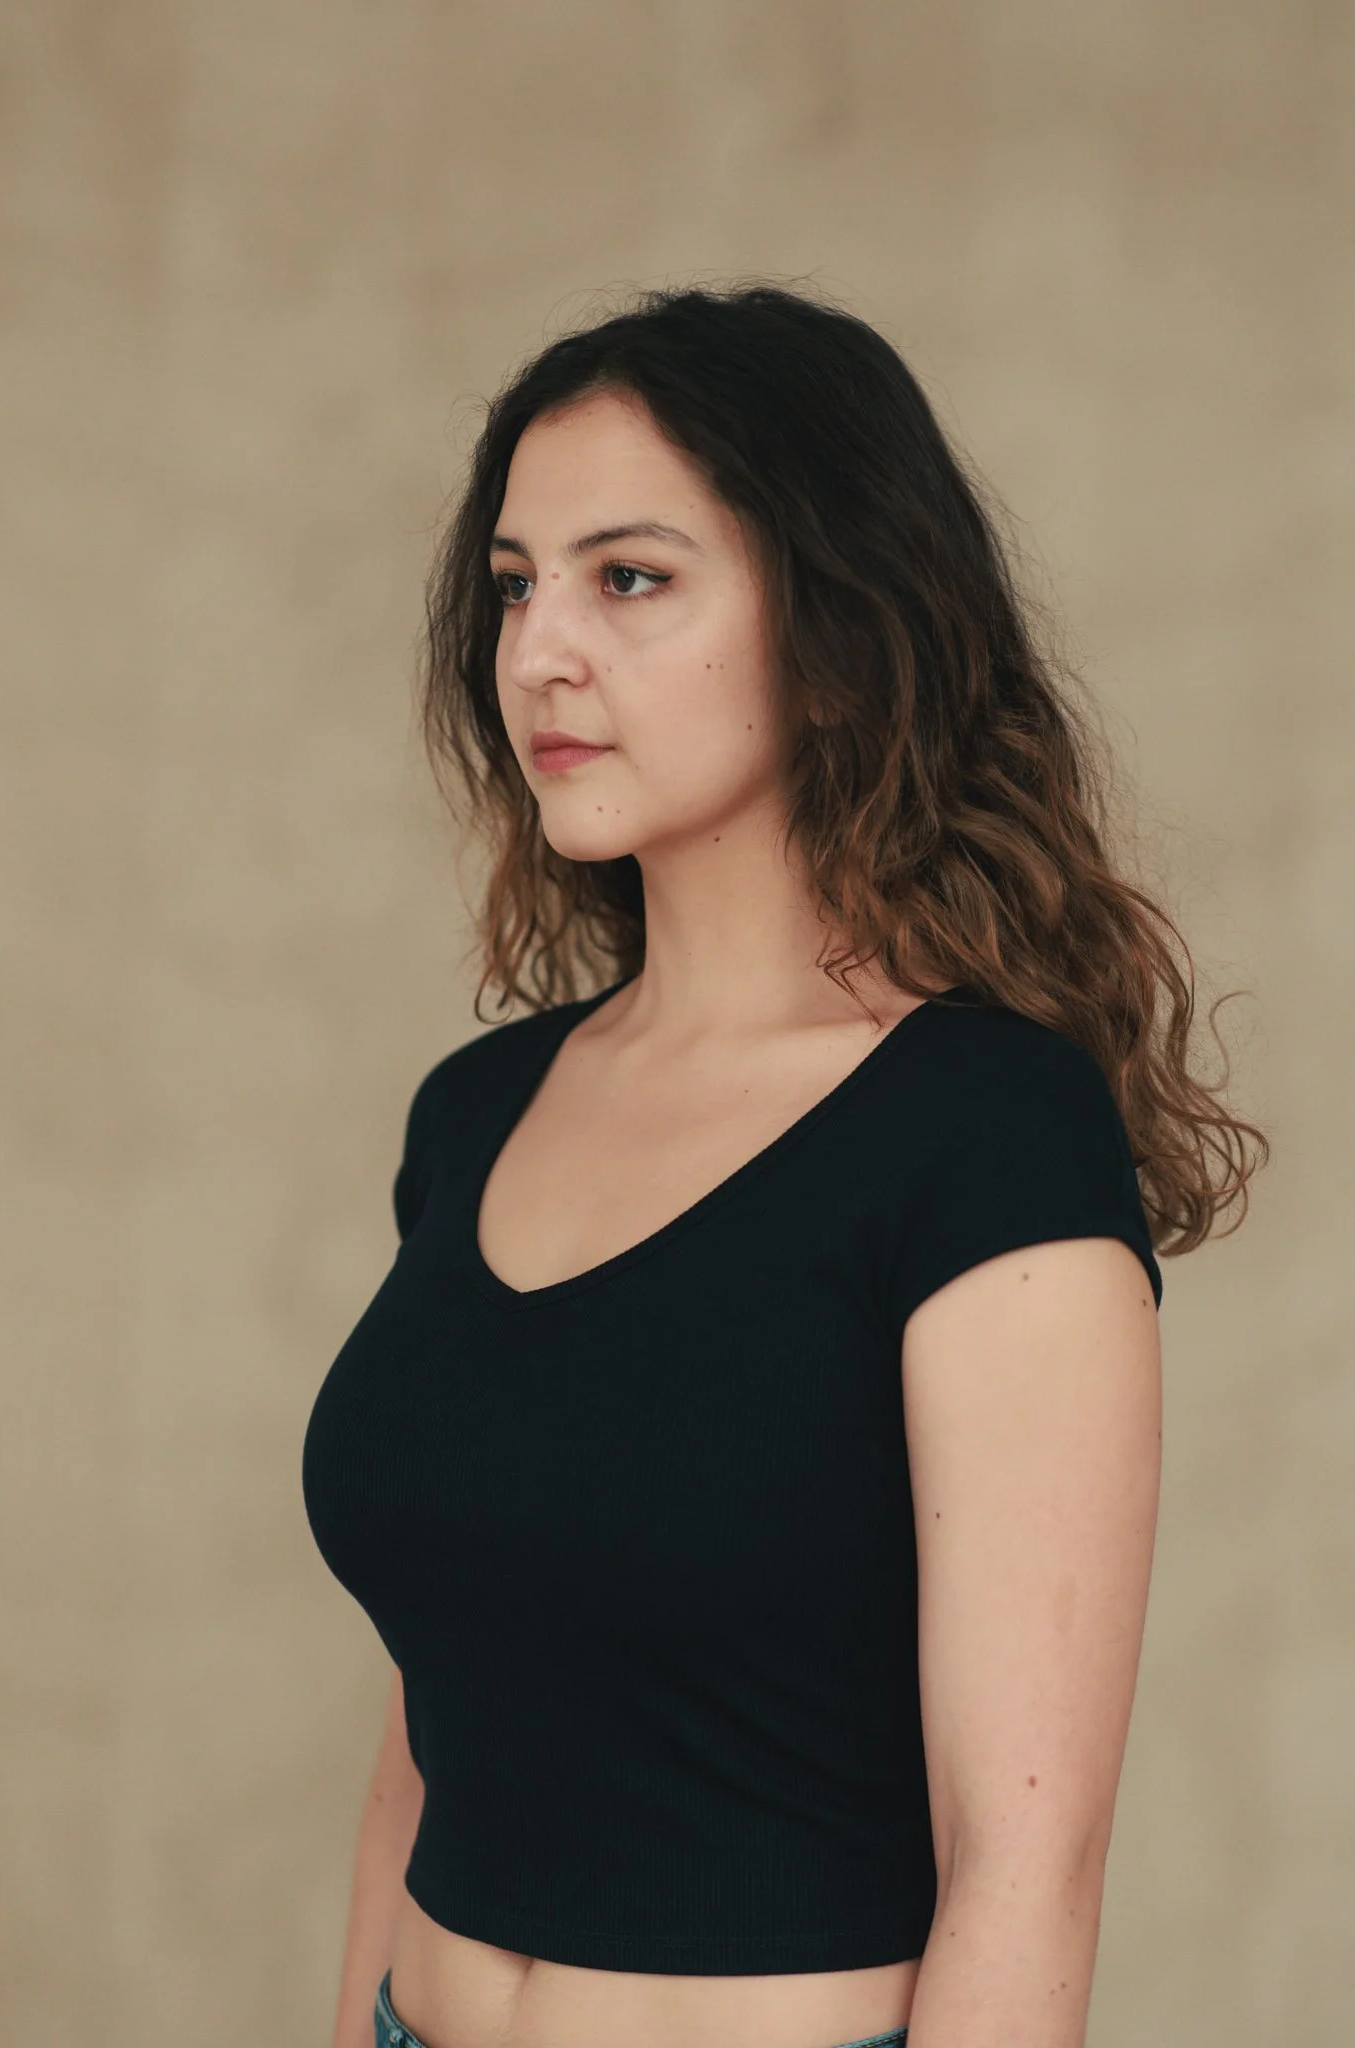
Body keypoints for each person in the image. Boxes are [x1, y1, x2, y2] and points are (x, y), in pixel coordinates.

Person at [301, 282, 1266, 2048]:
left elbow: (1022, 1873)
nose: (538, 652)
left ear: (838, 642)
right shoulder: (476, 1114)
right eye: (516, 585)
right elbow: (432, 1738)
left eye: (631, 577)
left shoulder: (986, 1135)